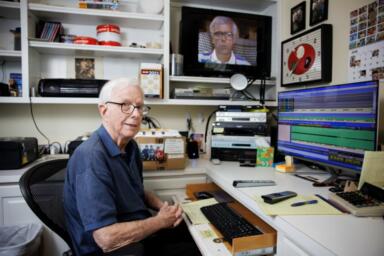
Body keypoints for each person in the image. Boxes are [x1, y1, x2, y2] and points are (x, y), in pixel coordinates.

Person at [63, 77, 200, 256]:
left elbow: (136, 191)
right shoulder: (91, 157)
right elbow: (106, 238)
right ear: (104, 111)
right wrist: (160, 221)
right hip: (115, 249)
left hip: (139, 233)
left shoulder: (130, 146)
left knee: (195, 230)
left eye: (140, 106)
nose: (136, 114)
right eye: (125, 105)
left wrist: (163, 208)